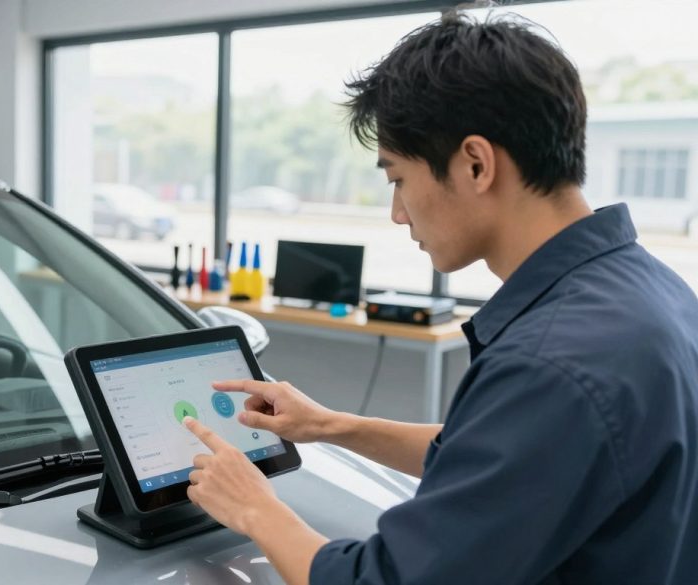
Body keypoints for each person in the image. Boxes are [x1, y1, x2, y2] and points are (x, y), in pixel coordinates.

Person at [181, 9, 698, 585]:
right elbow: (502, 459)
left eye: (398, 178)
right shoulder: (650, 291)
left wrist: (255, 506)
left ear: (475, 163)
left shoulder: (551, 363)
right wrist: (331, 426)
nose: (398, 213)